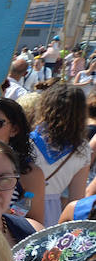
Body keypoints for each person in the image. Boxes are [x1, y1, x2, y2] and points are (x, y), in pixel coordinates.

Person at [30, 83, 91, 226]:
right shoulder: (82, 149)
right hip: (54, 212)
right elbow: (76, 198)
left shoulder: (25, 140)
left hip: (23, 204)